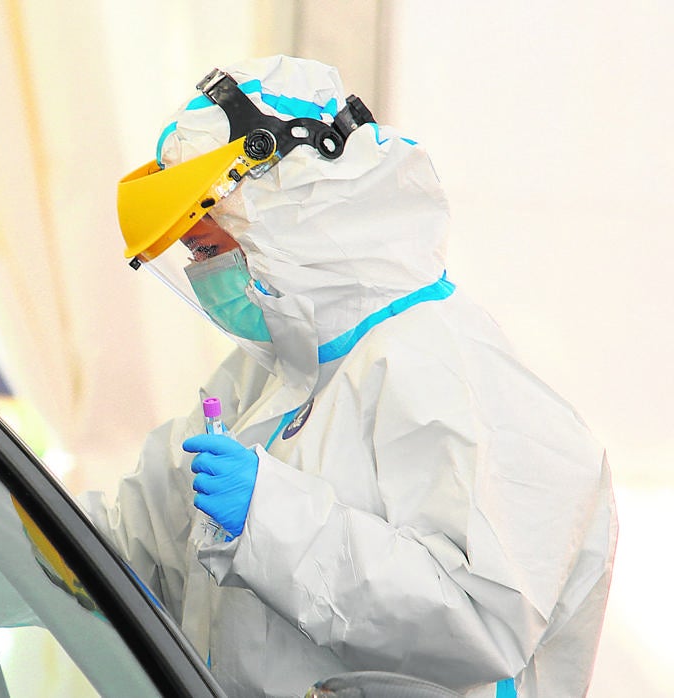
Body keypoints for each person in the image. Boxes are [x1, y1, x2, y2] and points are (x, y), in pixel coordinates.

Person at [83, 55, 618, 698]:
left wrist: (272, 520)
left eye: (205, 248)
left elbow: (486, 622)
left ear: (284, 214)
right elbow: (133, 546)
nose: (201, 275)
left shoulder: (446, 365)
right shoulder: (270, 374)